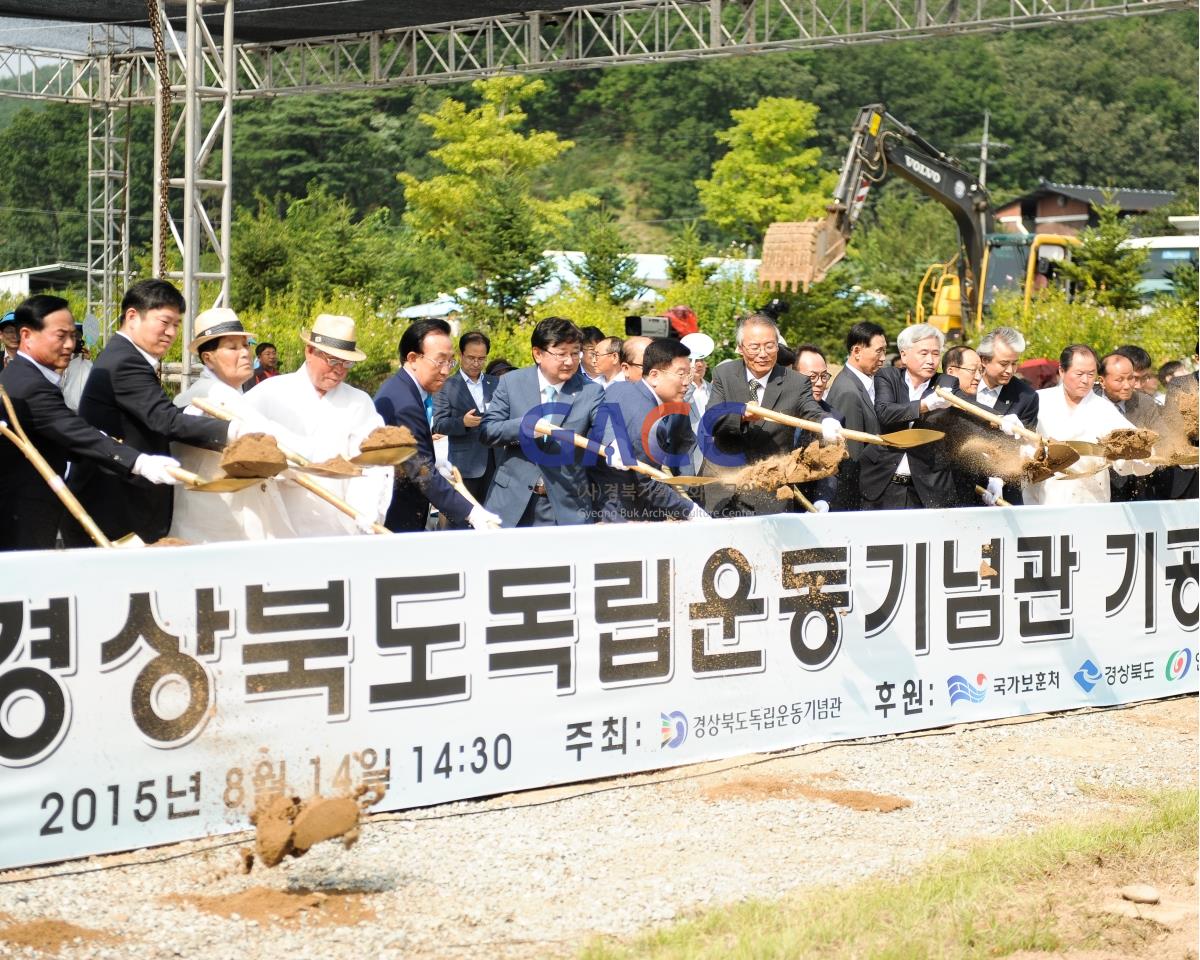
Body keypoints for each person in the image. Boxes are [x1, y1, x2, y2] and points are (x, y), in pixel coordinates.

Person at [0, 295, 179, 551]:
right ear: (27, 336)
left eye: (72, 336)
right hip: (22, 516)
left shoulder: (26, 376)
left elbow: (63, 436)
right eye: (60, 336)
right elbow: (73, 432)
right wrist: (139, 462)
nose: (69, 345)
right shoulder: (30, 385)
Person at [69, 280, 241, 545]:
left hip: (120, 499)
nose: (171, 332)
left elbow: (153, 414)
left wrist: (191, 412)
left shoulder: (124, 356)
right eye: (164, 322)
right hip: (116, 504)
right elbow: (163, 419)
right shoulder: (126, 361)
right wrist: (233, 431)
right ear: (132, 317)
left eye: (176, 325)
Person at [242, 313, 393, 536]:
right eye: (332, 360)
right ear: (309, 351)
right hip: (277, 528)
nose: (339, 369)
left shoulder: (359, 403)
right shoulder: (269, 393)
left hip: (338, 529)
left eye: (346, 363)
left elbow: (373, 465)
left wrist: (366, 511)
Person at [168, 309, 296, 543]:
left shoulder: (231, 395)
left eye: (245, 345)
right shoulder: (208, 397)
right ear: (208, 358)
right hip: (218, 527)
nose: (245, 353)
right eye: (232, 347)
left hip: (230, 522)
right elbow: (274, 446)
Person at [478, 316, 613, 527]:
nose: (570, 361)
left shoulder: (590, 391)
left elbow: (606, 427)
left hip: (565, 504)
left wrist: (614, 445)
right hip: (511, 501)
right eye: (561, 354)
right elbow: (488, 430)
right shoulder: (511, 383)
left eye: (575, 353)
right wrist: (525, 427)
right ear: (538, 354)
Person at [702, 313, 841, 516]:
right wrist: (740, 416)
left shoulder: (795, 382)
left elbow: (811, 410)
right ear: (741, 348)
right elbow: (711, 419)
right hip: (724, 488)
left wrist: (826, 422)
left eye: (769, 346)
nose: (763, 353)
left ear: (778, 346)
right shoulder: (724, 374)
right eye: (755, 347)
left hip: (770, 489)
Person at [375, 320, 499, 532]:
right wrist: (471, 512)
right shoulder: (403, 402)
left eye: (449, 362)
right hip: (398, 515)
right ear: (413, 358)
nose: (445, 371)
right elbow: (421, 472)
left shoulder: (403, 389)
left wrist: (435, 461)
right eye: (439, 361)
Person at [1023, 344, 1154, 506]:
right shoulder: (1037, 400)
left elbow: (1131, 449)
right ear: (1062, 371)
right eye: (1079, 374)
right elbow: (1019, 447)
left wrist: (1141, 455)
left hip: (1091, 498)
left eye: (1091, 374)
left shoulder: (1104, 409)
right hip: (1044, 497)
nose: (1085, 380)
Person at [594, 338, 708, 522]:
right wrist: (690, 510)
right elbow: (647, 484)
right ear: (654, 375)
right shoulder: (649, 422)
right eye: (681, 374)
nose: (687, 383)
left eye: (689, 374)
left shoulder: (620, 388)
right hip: (625, 514)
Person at [859, 323, 959, 510]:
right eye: (924, 353)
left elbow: (968, 406)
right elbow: (885, 413)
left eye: (936, 353)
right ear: (904, 355)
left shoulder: (946, 383)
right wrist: (925, 405)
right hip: (882, 483)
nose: (931, 360)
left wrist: (1001, 420)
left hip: (926, 487)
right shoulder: (888, 376)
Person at [431, 330, 498, 514]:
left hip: (497, 462)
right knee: (464, 517)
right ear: (461, 355)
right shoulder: (446, 385)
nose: (476, 363)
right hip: (466, 465)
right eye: (471, 358)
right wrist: (463, 423)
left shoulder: (497, 383)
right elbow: (438, 424)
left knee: (494, 517)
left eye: (481, 359)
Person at [825, 321, 887, 511]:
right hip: (858, 497)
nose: (883, 358)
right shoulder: (848, 391)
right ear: (857, 351)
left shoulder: (866, 383)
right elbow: (852, 457)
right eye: (879, 351)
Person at [1098, 351, 1160, 503]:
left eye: (1131, 378)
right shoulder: (1088, 402)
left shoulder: (1145, 402)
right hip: (1100, 486)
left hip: (1138, 486)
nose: (1127, 386)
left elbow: (1161, 433)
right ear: (1102, 380)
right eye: (1119, 380)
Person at [790, 344, 843, 512]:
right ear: (793, 375)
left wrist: (823, 499)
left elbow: (831, 468)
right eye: (812, 377)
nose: (820, 383)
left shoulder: (833, 418)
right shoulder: (777, 410)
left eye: (824, 376)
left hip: (809, 506)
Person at [59, 324, 92, 412]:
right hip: (65, 409)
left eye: (79, 337)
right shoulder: (61, 359)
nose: (77, 340)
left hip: (83, 410)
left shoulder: (86, 362)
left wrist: (87, 360)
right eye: (74, 337)